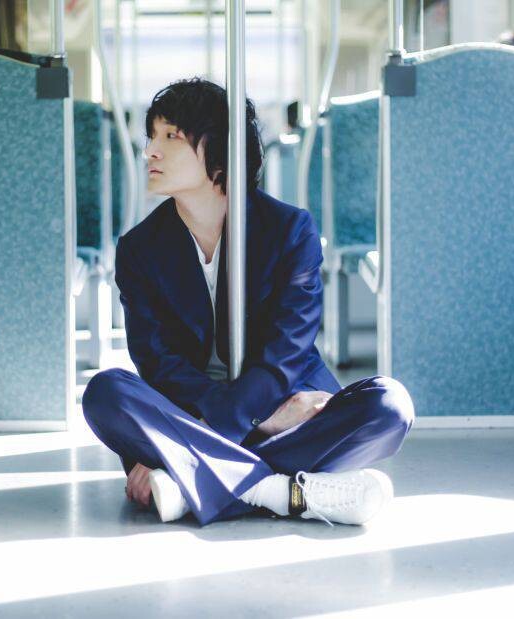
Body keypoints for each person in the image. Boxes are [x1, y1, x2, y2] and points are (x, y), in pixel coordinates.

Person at [82, 77, 414, 527]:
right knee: (105, 393)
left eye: (170, 136)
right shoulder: (139, 249)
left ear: (221, 149)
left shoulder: (290, 231)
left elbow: (286, 354)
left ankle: (190, 477)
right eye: (151, 137)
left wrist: (223, 428)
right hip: (203, 415)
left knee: (390, 406)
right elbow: (159, 366)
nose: (150, 152)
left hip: (279, 405)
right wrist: (260, 422)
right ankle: (279, 492)